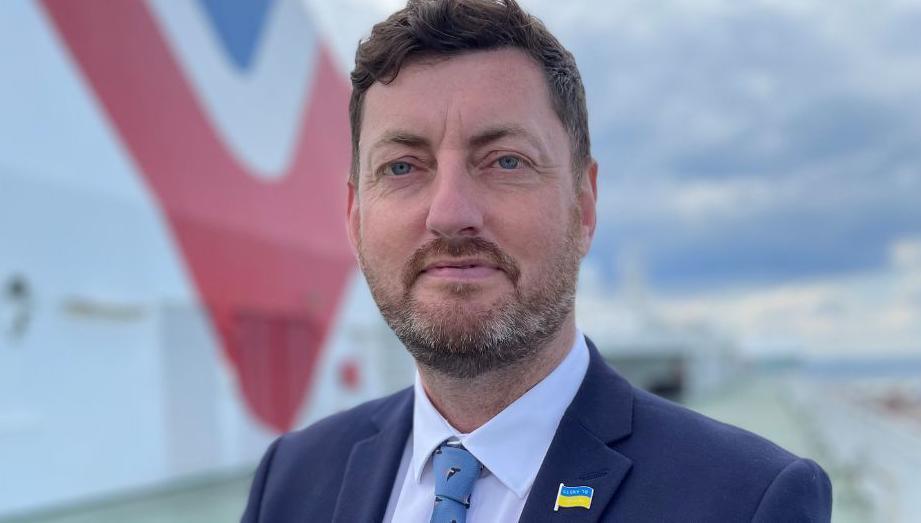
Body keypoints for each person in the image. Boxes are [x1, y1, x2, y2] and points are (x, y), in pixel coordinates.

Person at [241, 0, 832, 521]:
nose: (449, 213)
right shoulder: (290, 481)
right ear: (355, 215)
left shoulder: (746, 500)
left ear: (583, 204)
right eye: (402, 167)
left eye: (504, 161)